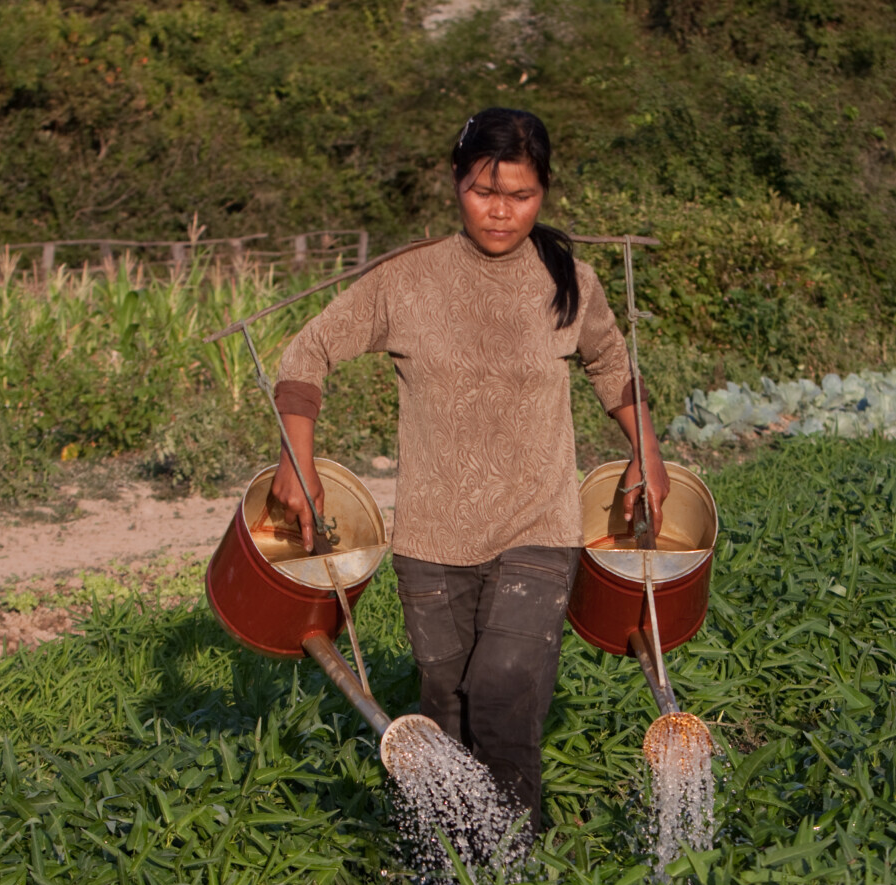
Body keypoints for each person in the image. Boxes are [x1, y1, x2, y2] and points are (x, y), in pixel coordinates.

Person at [269, 107, 668, 833]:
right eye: (485, 191)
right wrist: (297, 458)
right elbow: (307, 352)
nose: (501, 211)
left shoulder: (566, 279)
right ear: (456, 182)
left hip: (538, 524)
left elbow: (611, 362)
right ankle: (454, 865)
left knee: (503, 688)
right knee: (446, 704)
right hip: (432, 539)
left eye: (521, 195)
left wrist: (647, 448)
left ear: (544, 192)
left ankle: (517, 862)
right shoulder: (407, 281)